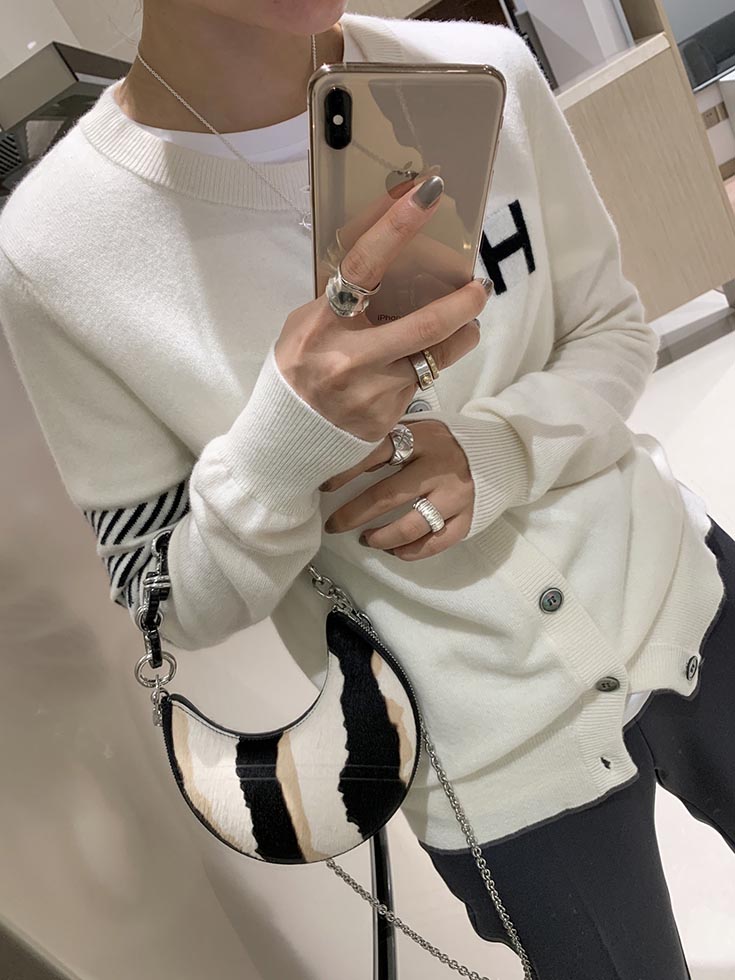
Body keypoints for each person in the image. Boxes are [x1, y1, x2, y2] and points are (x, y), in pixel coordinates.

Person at [0, 1, 732, 976]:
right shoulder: (53, 250)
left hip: (689, 594)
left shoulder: (482, 71)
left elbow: (612, 331)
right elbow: (159, 596)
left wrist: (496, 451)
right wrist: (280, 444)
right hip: (490, 763)